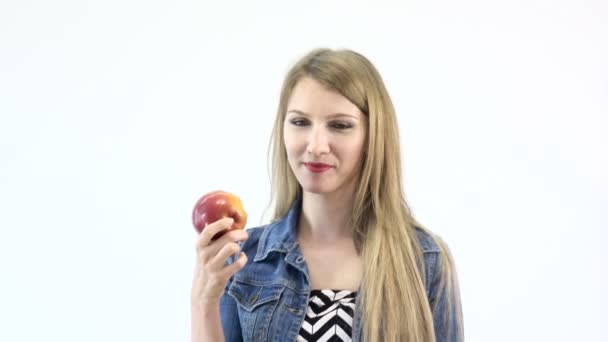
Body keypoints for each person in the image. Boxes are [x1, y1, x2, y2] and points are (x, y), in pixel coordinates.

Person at [191, 48, 464, 342]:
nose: (316, 145)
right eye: (300, 122)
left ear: (372, 137)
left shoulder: (423, 260)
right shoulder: (247, 259)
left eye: (340, 125)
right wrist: (203, 301)